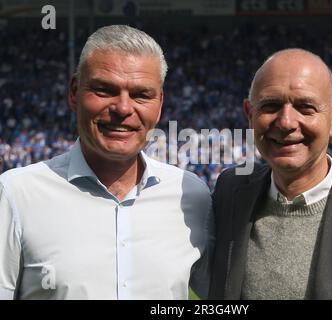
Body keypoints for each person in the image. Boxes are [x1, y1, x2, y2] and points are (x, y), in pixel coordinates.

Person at [0, 25, 213, 300]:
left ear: (159, 104)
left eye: (141, 95)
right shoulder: (17, 194)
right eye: (104, 90)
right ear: (74, 92)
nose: (123, 108)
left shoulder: (192, 196)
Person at [209, 48, 332, 300]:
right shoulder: (230, 190)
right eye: (271, 105)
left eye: (305, 107)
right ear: (250, 115)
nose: (286, 122)